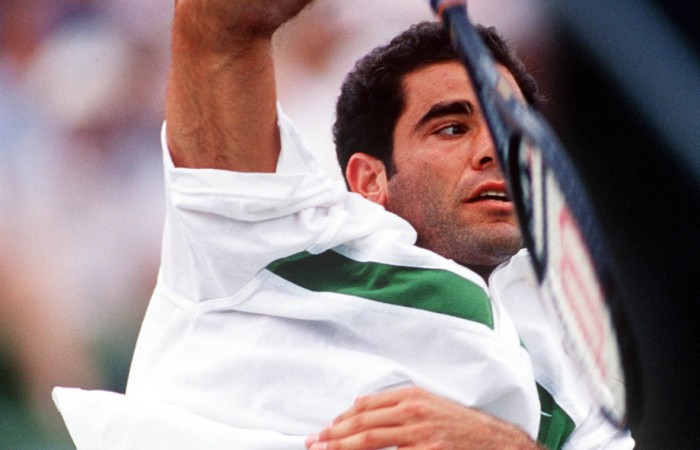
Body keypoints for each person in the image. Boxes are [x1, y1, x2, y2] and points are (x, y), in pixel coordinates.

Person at [53, 1, 631, 449]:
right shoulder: (266, 239)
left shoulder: (576, 367)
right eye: (451, 128)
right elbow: (219, 26)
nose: (493, 151)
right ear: (369, 179)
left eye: (513, 132)